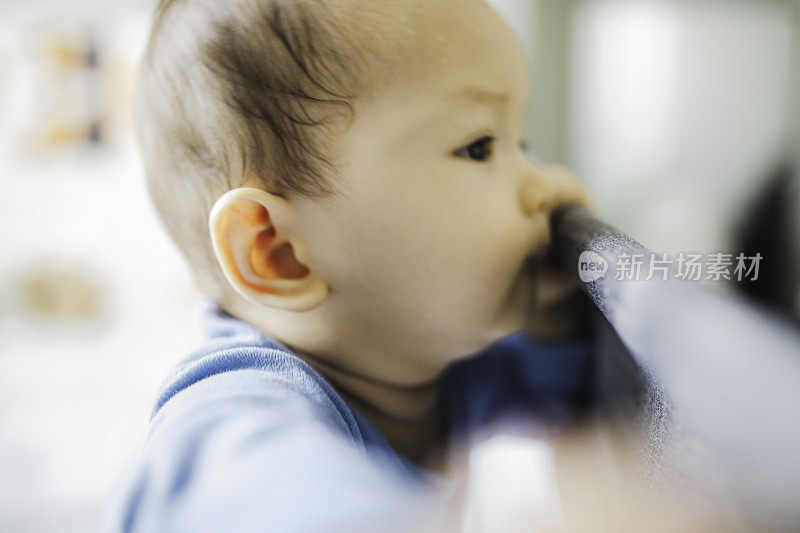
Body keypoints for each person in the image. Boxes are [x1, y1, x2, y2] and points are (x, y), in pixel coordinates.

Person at [105, 0, 597, 530]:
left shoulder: (429, 361)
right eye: (479, 147)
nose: (542, 184)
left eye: (520, 143)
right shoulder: (233, 420)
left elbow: (566, 410)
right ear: (280, 253)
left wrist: (555, 324)